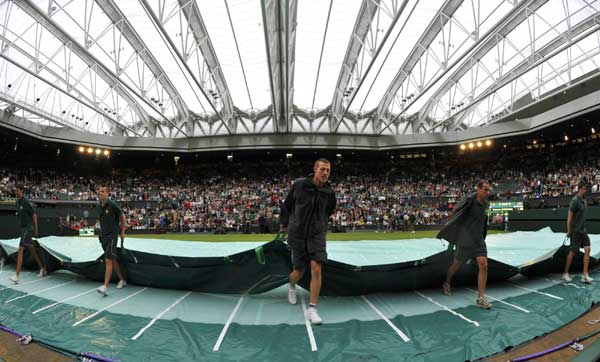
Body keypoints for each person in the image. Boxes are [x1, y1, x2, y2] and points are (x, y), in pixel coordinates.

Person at [284, 158, 336, 325]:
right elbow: (287, 205)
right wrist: (288, 224)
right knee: (298, 272)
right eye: (322, 169)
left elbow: (329, 211)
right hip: (297, 234)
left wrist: (319, 224)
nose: (325, 173)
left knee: (316, 268)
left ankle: (312, 309)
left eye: (328, 170)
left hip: (317, 234)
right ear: (315, 169)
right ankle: (291, 285)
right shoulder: (299, 185)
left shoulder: (329, 192)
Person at [437, 180, 492, 309]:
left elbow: (483, 221)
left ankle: (481, 297)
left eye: (488, 190)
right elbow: (455, 212)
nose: (487, 192)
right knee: (457, 264)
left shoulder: (486, 204)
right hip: (465, 240)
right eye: (485, 190)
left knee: (484, 265)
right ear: (478, 189)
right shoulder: (468, 201)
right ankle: (447, 282)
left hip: (478, 240)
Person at [10, 184, 46, 284]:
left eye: (17, 191)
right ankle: (42, 268)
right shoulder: (17, 202)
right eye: (15, 191)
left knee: (20, 250)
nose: (16, 192)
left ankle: (16, 276)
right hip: (23, 229)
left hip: (28, 229)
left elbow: (34, 215)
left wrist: (36, 230)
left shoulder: (26, 201)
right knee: (32, 249)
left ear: (22, 191)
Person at [96, 185, 127, 296]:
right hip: (104, 236)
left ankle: (105, 286)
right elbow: (100, 219)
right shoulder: (98, 206)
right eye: (99, 192)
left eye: (103, 192)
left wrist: (122, 231)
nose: (101, 194)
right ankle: (122, 280)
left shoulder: (112, 204)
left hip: (112, 236)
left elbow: (122, 216)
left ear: (107, 193)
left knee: (108, 260)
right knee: (112, 259)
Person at [563, 181, 593, 283]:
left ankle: (585, 275)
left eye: (586, 189)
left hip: (583, 230)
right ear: (579, 189)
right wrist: (569, 230)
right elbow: (569, 218)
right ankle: (565, 273)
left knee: (588, 249)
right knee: (572, 252)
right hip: (575, 231)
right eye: (584, 189)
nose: (585, 191)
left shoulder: (584, 200)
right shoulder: (574, 201)